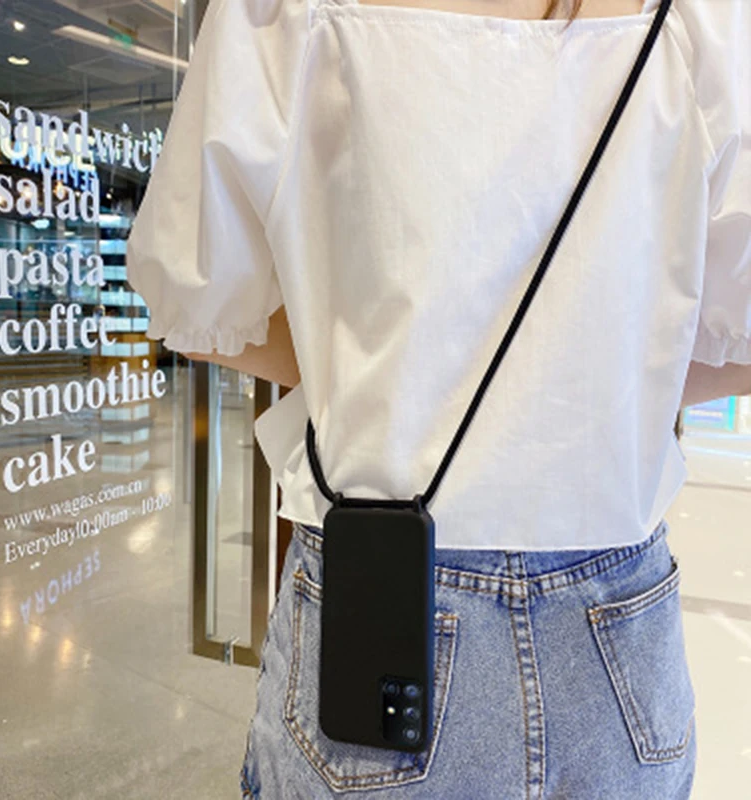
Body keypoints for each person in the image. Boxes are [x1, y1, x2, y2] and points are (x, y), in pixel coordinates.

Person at [126, 0, 750, 796]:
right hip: (618, 627)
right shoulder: (710, 19)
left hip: (380, 593)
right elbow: (738, 346)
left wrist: (386, 372)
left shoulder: (281, 13)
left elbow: (196, 307)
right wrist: (592, 384)